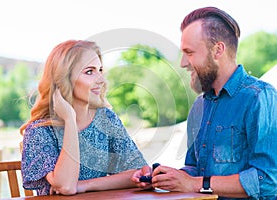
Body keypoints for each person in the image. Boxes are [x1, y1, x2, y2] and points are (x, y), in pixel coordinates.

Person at [131, 6, 277, 199]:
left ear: (218, 50)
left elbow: (268, 180)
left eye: (189, 52)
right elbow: (195, 168)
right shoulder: (199, 105)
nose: (183, 63)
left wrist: (195, 184)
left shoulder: (261, 97)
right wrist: (163, 178)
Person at [20, 40, 147, 196]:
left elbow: (139, 174)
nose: (101, 80)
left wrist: (84, 185)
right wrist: (69, 120)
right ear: (63, 79)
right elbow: (66, 186)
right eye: (89, 72)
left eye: (100, 70)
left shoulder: (106, 118)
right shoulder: (39, 131)